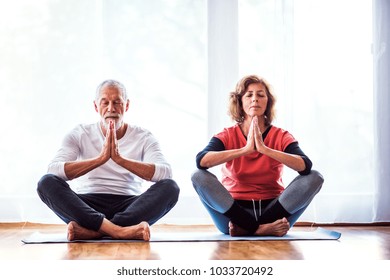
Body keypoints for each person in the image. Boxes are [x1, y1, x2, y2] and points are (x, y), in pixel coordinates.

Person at [37, 79, 180, 241]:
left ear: (126, 105)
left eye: (117, 102)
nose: (111, 109)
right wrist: (100, 159)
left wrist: (120, 160)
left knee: (171, 188)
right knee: (46, 183)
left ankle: (95, 231)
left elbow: (165, 173)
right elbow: (54, 170)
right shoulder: (79, 133)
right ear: (96, 106)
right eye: (105, 103)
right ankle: (119, 231)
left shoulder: (144, 137)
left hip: (130, 206)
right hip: (87, 206)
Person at [191, 74, 324, 237]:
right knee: (198, 176)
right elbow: (202, 161)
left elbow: (305, 166)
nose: (255, 99)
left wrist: (264, 149)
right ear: (240, 101)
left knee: (315, 177)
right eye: (249, 95)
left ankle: (249, 229)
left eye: (261, 95)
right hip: (234, 215)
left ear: (268, 102)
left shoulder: (280, 135)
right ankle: (259, 229)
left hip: (274, 211)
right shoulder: (227, 135)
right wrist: (245, 150)